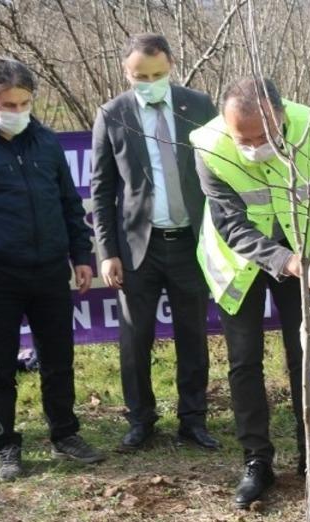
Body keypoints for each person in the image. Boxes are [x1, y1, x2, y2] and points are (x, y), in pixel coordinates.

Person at [190, 77, 310, 509]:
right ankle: (257, 462)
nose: (250, 146)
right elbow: (231, 226)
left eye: (261, 136)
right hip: (241, 260)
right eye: (240, 138)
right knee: (244, 361)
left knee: (307, 352)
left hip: (306, 250)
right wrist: (293, 263)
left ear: (281, 117)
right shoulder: (209, 145)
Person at [0, 57, 105, 482]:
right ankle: (6, 444)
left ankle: (65, 434)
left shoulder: (45, 141)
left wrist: (81, 256)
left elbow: (69, 203)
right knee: (0, 368)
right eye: (9, 103)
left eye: (26, 102)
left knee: (58, 361)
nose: (19, 111)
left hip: (49, 271)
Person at [91, 33, 219, 452]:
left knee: (192, 334)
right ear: (126, 73)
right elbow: (101, 189)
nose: (150, 82)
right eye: (140, 76)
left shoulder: (199, 106)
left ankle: (193, 419)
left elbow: (220, 172)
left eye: (158, 74)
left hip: (190, 243)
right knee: (135, 338)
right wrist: (107, 252)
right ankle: (140, 420)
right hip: (136, 248)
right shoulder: (112, 114)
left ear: (171, 67)